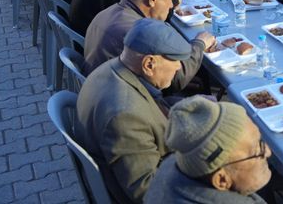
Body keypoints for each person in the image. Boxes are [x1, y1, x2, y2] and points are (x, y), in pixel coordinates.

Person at [75, 19, 202, 204]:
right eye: (175, 61)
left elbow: (151, 105)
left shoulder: (112, 68)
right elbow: (147, 191)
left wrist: (192, 107)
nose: (178, 68)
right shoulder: (125, 116)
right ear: (149, 64)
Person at [83, 0, 214, 76]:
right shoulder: (139, 32)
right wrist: (199, 44)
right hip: (123, 94)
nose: (171, 5)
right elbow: (177, 77)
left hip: (100, 83)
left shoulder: (110, 11)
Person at [144, 96, 272, 203]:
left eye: (260, 141)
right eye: (257, 152)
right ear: (221, 180)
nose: (268, 152)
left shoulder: (177, 165)